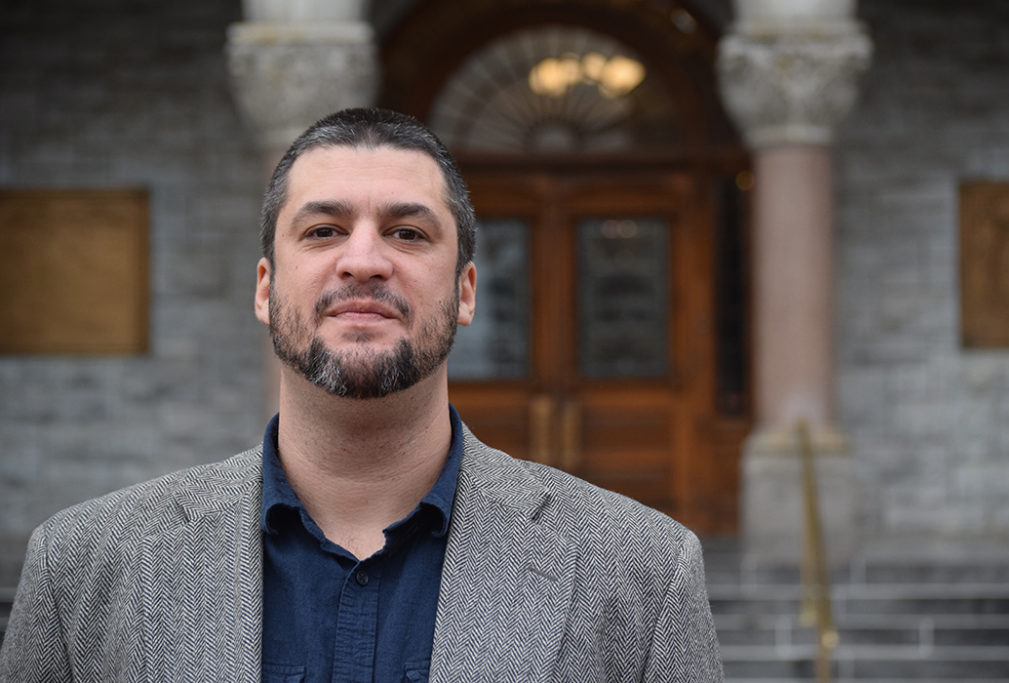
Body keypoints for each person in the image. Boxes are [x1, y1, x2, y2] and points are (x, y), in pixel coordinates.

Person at [0, 108, 722, 682]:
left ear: (466, 290)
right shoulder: (84, 572)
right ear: (265, 286)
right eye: (323, 230)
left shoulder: (643, 578)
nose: (365, 260)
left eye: (407, 232)